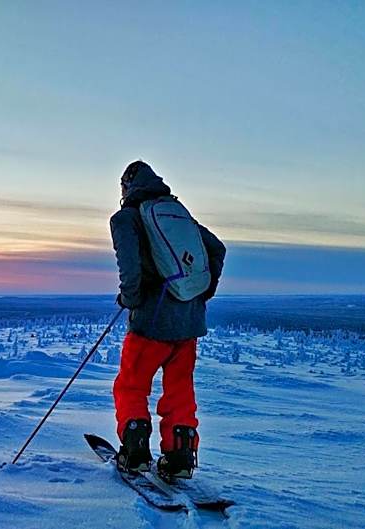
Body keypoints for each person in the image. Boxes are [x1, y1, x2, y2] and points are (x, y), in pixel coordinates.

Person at [109, 160, 226, 481]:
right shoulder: (181, 217)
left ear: (127, 187)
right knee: (180, 391)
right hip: (189, 324)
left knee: (131, 384)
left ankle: (135, 454)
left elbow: (129, 267)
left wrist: (130, 298)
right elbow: (217, 248)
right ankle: (180, 456)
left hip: (151, 323)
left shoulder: (127, 219)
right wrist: (201, 290)